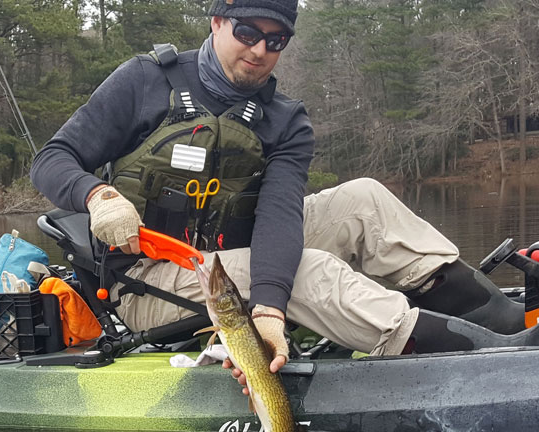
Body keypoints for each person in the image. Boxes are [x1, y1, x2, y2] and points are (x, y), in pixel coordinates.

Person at [30, 0, 538, 378]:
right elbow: (52, 160)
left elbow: (278, 219)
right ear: (216, 21)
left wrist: (267, 308)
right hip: (145, 280)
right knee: (311, 272)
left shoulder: (285, 121)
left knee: (364, 199)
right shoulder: (143, 81)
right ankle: (486, 362)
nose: (259, 50)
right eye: (248, 31)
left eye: (276, 41)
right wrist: (96, 194)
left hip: (239, 253)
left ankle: (511, 324)